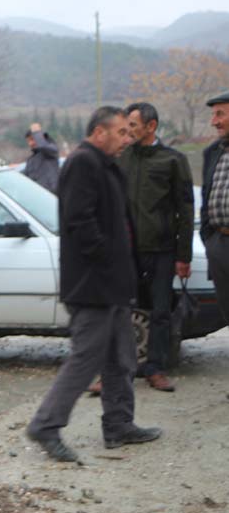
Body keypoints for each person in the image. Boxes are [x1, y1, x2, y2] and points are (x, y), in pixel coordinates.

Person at [27, 106, 163, 462]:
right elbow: (79, 221)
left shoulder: (106, 165)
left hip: (114, 283)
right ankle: (46, 424)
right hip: (93, 285)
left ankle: (119, 425)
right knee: (86, 358)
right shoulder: (83, 164)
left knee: (122, 357)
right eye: (121, 132)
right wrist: (108, 258)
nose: (127, 138)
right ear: (100, 132)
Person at [111, 102, 192, 393]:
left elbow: (186, 209)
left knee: (160, 311)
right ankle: (116, 371)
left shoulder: (173, 160)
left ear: (151, 126)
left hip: (162, 249)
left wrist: (184, 256)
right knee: (119, 311)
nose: (128, 131)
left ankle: (155, 369)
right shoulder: (122, 158)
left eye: (133, 125)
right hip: (127, 250)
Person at [199, 90, 229, 325]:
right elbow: (206, 195)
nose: (214, 121)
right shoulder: (212, 152)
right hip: (219, 243)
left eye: (220, 114)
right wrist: (209, 240)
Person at [22, 123, 60, 192]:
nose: (30, 144)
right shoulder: (30, 160)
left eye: (32, 139)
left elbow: (43, 146)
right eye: (28, 141)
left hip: (52, 196)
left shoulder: (50, 152)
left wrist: (37, 133)